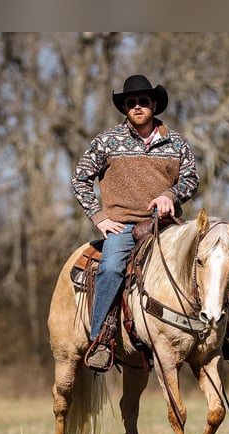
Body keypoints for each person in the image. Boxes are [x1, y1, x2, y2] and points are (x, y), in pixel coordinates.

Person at [71, 74, 200, 371]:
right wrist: (99, 216)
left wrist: (171, 193)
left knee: (203, 259)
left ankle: (216, 333)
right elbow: (80, 179)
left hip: (166, 224)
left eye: (144, 101)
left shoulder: (176, 142)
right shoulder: (107, 141)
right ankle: (101, 338)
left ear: (154, 104)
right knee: (112, 266)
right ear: (125, 108)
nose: (138, 106)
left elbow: (192, 178)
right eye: (132, 103)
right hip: (123, 225)